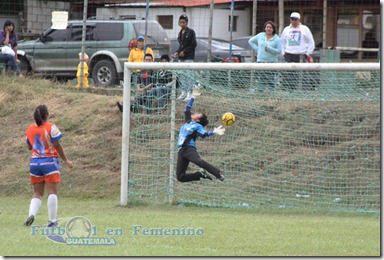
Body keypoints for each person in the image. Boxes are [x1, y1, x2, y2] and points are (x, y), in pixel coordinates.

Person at [24, 105, 73, 227]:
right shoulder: (51, 127)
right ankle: (52, 221)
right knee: (52, 192)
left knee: (37, 193)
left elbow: (29, 146)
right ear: (47, 114)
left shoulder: (29, 129)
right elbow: (57, 145)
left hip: (34, 163)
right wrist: (66, 160)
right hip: (49, 162)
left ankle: (31, 214)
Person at [176, 88, 226, 182]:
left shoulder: (198, 126)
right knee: (180, 177)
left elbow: (204, 134)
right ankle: (200, 174)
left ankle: (217, 174)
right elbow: (188, 108)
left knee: (198, 161)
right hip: (181, 150)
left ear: (198, 120)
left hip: (188, 148)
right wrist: (193, 97)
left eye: (198, 114)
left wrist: (214, 131)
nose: (195, 114)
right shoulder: (188, 122)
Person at [280, 12, 315, 90]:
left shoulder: (305, 29)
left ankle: (304, 89)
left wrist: (308, 53)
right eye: (292, 19)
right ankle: (290, 90)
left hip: (301, 54)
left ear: (299, 20)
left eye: (295, 19)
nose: (294, 21)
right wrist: (283, 53)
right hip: (289, 54)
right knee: (289, 74)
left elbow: (311, 42)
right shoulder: (286, 29)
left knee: (302, 74)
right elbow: (282, 42)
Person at [248, 21, 282, 91]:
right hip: (261, 61)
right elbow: (250, 41)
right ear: (265, 28)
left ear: (273, 29)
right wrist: (257, 49)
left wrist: (269, 49)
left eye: (270, 27)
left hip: (271, 62)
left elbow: (278, 51)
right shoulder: (260, 35)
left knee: (271, 80)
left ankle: (271, 94)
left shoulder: (277, 39)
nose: (268, 29)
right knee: (261, 79)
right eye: (267, 27)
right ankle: (261, 94)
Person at [173, 14, 197, 101]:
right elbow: (181, 46)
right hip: (181, 58)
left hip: (189, 57)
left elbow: (193, 45)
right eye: (180, 22)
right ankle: (183, 92)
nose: (182, 24)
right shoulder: (180, 33)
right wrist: (177, 52)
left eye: (184, 22)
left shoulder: (191, 32)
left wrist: (185, 52)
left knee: (189, 75)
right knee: (182, 75)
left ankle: (189, 93)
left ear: (187, 23)